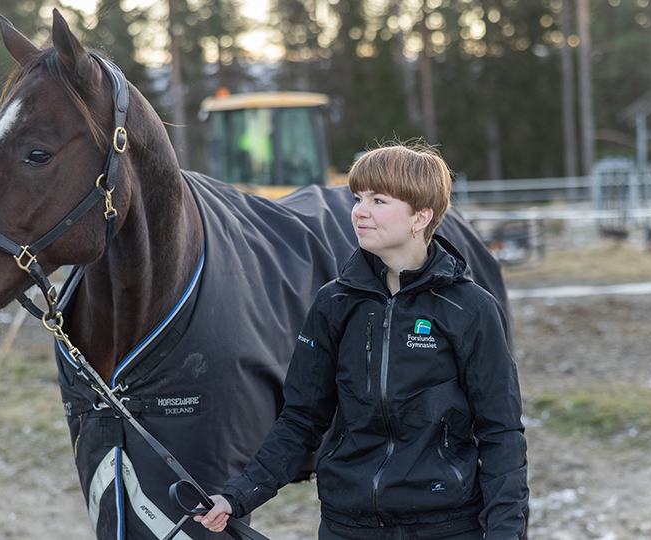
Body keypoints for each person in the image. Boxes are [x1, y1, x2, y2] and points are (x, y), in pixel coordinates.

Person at [197, 142, 528, 539]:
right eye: (357, 198)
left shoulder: (470, 309)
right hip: (348, 524)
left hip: (446, 524)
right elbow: (302, 419)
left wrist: (506, 531)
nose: (359, 211)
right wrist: (237, 497)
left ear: (420, 216)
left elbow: (501, 432)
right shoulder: (334, 303)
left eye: (378, 200)